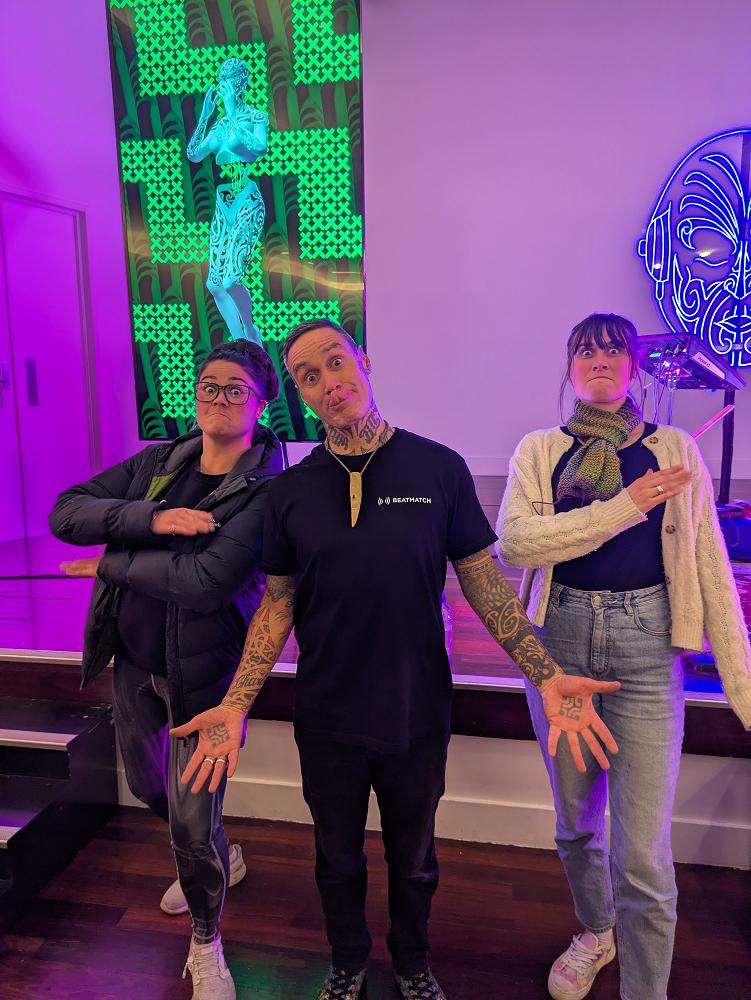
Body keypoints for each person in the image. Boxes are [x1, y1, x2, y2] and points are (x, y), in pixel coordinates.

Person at [170, 319, 621, 1000]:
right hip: (327, 716)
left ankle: (412, 964)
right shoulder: (289, 492)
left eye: (335, 363)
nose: (328, 383)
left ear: (364, 362)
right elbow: (277, 604)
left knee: (414, 861)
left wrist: (545, 672)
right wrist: (235, 705)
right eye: (308, 376)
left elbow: (484, 586)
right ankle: (347, 963)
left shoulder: (437, 469)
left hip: (415, 710)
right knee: (336, 860)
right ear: (299, 394)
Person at [496, 313, 751, 1000]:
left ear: (634, 368)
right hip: (559, 650)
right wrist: (625, 506)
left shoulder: (674, 449)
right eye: (586, 350)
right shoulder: (539, 450)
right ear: (569, 367)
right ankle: (596, 931)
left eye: (614, 350)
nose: (600, 360)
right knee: (576, 828)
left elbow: (710, 565)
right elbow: (516, 543)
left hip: (646, 650)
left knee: (643, 858)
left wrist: (744, 689)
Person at [49, 339, 283, 1000]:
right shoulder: (160, 461)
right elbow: (67, 511)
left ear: (261, 403)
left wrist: (109, 561)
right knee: (149, 787)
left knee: (190, 821)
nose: (218, 398)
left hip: (205, 678)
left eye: (235, 388)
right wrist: (152, 517)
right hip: (134, 664)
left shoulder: (267, 488)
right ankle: (222, 854)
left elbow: (207, 581)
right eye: (209, 385)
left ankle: (207, 944)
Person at [187, 57, 268, 344]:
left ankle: (251, 331)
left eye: (230, 80)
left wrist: (233, 113)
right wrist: (205, 115)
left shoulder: (255, 117)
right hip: (223, 206)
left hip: (247, 201)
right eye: (223, 80)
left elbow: (259, 148)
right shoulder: (219, 126)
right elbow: (194, 154)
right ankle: (240, 341)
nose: (225, 86)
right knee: (215, 284)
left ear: (242, 83)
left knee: (232, 279)